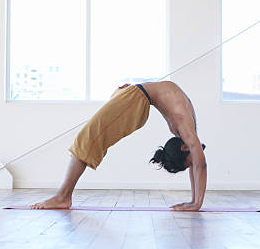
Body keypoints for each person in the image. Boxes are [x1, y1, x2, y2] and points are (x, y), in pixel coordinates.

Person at [31, 81, 207, 211]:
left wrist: (194, 201)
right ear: (184, 148)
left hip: (136, 96)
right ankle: (62, 197)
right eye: (189, 162)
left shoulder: (186, 132)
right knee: (87, 138)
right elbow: (201, 165)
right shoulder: (185, 126)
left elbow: (196, 165)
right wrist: (197, 203)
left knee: (88, 138)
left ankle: (63, 196)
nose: (194, 161)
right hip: (136, 97)